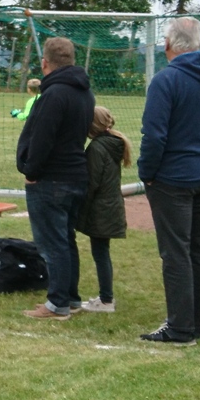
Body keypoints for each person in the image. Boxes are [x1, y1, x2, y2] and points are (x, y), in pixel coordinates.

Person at [138, 17, 200, 344]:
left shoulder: (166, 80)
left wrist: (148, 173)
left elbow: (154, 136)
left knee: (177, 252)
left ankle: (181, 328)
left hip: (174, 179)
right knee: (199, 247)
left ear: (168, 44)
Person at [17, 37, 95, 321]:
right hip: (75, 175)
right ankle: (70, 298)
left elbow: (42, 139)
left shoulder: (54, 95)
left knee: (52, 243)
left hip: (52, 179)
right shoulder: (85, 93)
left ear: (44, 63)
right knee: (66, 239)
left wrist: (32, 172)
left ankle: (58, 303)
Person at [76, 106, 131, 313]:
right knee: (102, 252)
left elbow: (92, 183)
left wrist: (79, 209)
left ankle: (106, 300)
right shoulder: (113, 143)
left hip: (101, 209)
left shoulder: (97, 148)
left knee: (100, 253)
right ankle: (105, 297)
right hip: (110, 206)